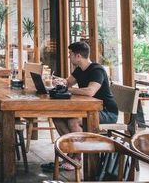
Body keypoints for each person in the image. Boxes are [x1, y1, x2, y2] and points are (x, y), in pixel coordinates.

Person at [41, 41, 119, 171]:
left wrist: (68, 89)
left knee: (73, 120)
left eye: (70, 54)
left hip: (106, 112)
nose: (69, 56)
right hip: (88, 109)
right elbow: (68, 82)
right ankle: (71, 154)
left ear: (78, 56)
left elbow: (90, 91)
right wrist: (60, 81)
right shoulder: (79, 70)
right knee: (57, 117)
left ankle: (75, 158)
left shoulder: (97, 70)